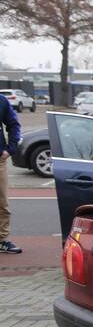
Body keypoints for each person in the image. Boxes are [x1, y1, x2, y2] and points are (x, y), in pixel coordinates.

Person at [0, 91, 22, 254]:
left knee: (2, 203)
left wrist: (11, 149)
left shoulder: (1, 101)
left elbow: (13, 124)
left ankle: (1, 239)